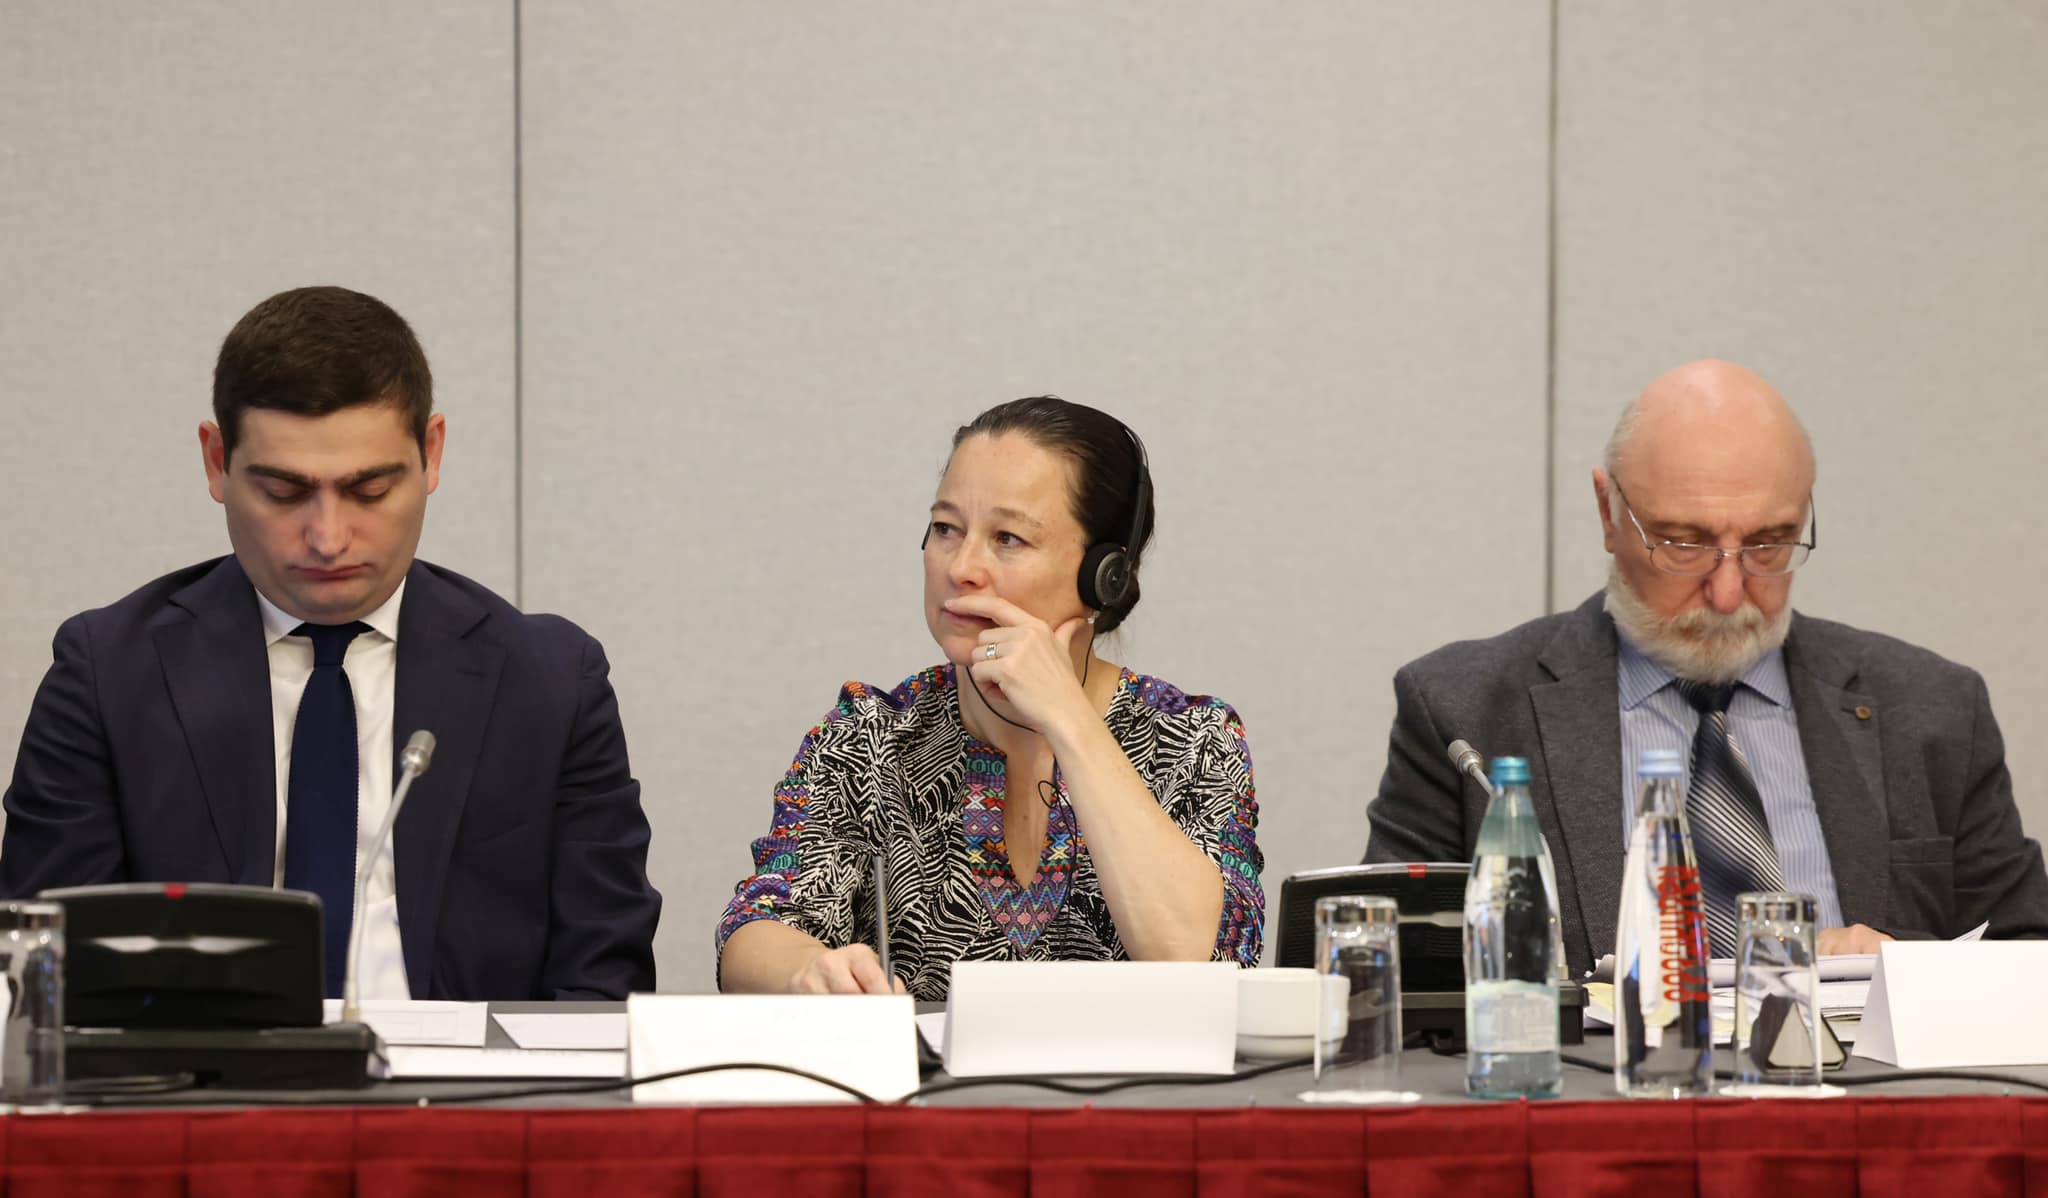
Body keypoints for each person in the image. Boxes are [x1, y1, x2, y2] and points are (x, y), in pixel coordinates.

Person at [0, 286, 661, 1000]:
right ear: (217, 461)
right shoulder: (110, 674)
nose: (328, 537)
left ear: (432, 453)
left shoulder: (550, 682)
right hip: (204, 1066)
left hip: (468, 1071)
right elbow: (49, 977)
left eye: (369, 490)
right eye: (284, 492)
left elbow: (602, 982)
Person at [1366, 359, 2048, 975]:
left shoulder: (1932, 709)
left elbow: (2027, 955)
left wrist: (1905, 970)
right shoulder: (1466, 712)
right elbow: (1393, 976)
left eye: (1768, 544)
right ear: (1609, 513)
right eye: (1683, 544)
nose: (1728, 593)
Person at [717, 397, 1263, 998]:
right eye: (946, 529)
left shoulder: (1193, 739)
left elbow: (1203, 964)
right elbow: (754, 929)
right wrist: (805, 969)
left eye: (1008, 538)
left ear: (1105, 575)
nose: (962, 567)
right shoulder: (869, 735)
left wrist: (1068, 719)